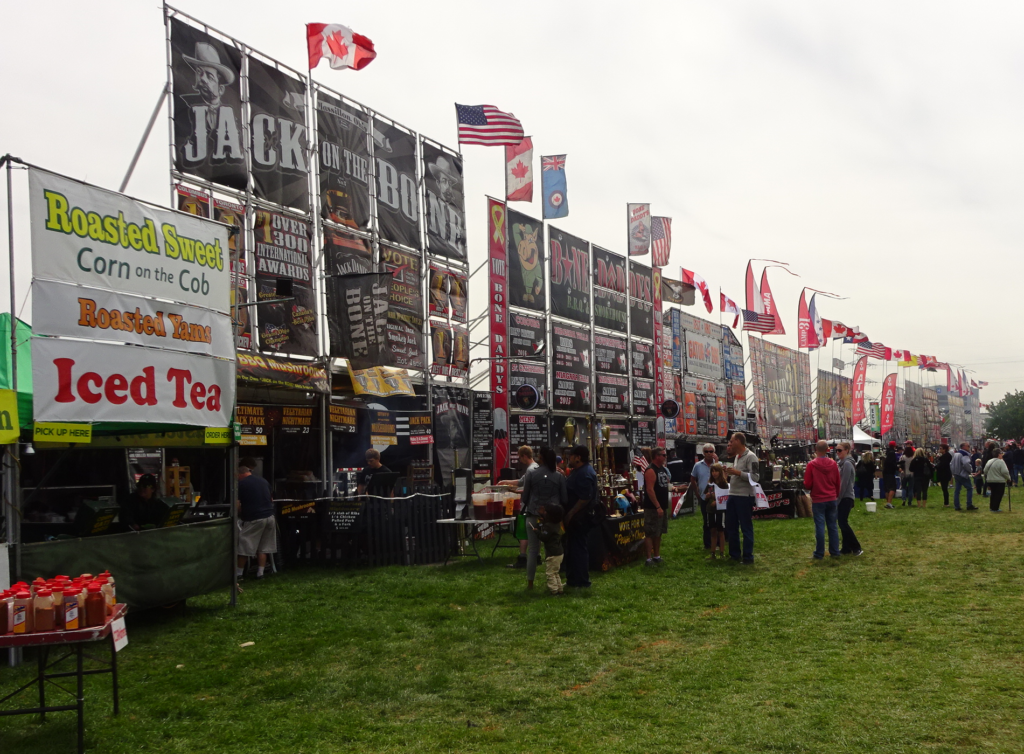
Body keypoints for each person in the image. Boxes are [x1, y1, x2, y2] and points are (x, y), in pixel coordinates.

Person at [519, 447, 567, 589]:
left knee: (533, 550)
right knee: (552, 551)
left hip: (533, 515)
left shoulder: (532, 474)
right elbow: (564, 498)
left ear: (542, 458)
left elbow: (525, 496)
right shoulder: (559, 476)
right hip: (552, 520)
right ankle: (553, 581)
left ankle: (530, 583)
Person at [563, 445, 598, 589]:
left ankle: (583, 581)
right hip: (575, 518)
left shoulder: (584, 473)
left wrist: (571, 513)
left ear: (578, 457)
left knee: (579, 548)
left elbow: (585, 497)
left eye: (571, 456)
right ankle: (572, 579)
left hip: (580, 518)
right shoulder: (578, 471)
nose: (568, 458)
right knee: (572, 548)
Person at [236, 458, 276, 581]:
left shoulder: (241, 484)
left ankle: (238, 575)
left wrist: (240, 515)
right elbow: (271, 500)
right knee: (263, 547)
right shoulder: (263, 481)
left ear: (240, 474)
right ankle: (260, 573)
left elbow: (237, 504)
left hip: (254, 518)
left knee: (244, 546)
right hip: (270, 517)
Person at [501, 446, 540, 570]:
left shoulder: (530, 470)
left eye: (520, 457)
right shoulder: (535, 467)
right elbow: (521, 482)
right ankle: (537, 557)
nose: (519, 459)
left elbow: (525, 487)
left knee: (524, 532)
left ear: (524, 456)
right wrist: (505, 482)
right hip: (535, 506)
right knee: (535, 532)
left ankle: (522, 558)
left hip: (528, 506)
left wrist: (514, 491)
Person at [804, 440, 842, 560]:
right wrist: (835, 494)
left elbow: (808, 484)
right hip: (831, 497)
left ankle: (819, 553)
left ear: (816, 450)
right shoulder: (833, 464)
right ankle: (835, 551)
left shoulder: (811, 465)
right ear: (827, 450)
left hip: (818, 499)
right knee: (833, 525)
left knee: (820, 526)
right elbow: (837, 482)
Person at [724, 433, 758, 564]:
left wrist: (737, 473)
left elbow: (755, 477)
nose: (730, 444)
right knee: (731, 526)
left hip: (744, 497)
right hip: (733, 494)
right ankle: (734, 555)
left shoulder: (751, 457)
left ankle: (748, 557)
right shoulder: (737, 457)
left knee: (745, 527)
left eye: (732, 441)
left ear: (738, 441)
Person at [643, 447, 672, 567]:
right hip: (652, 507)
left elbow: (665, 485)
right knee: (650, 532)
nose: (665, 457)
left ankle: (657, 555)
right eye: (663, 455)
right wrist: (657, 506)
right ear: (657, 456)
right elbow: (650, 490)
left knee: (658, 531)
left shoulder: (663, 470)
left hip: (662, 506)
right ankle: (648, 558)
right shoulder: (651, 470)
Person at [530, 503, 565, 595]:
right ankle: (559, 589)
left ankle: (554, 591)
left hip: (552, 554)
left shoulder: (549, 526)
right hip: (559, 552)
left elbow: (544, 537)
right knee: (555, 572)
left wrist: (537, 531)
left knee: (550, 573)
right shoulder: (557, 524)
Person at [836, 443, 863, 556]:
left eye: (840, 450)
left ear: (847, 450)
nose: (837, 452)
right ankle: (846, 548)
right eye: (836, 450)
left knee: (843, 522)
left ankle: (856, 547)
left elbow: (844, 483)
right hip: (845, 497)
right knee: (842, 522)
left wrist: (838, 499)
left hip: (846, 497)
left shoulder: (847, 464)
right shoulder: (841, 463)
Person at [689, 443, 717, 543]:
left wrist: (716, 462)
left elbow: (723, 479)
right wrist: (697, 493)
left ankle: (718, 541)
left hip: (717, 497)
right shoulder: (698, 465)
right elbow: (692, 479)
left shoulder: (718, 464)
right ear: (703, 453)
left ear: (714, 452)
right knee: (706, 520)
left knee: (718, 520)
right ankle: (708, 543)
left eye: (711, 451)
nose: (709, 454)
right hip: (704, 497)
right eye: (706, 451)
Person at [704, 463, 728, 559]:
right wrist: (707, 497)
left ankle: (722, 552)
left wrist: (717, 502)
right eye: (712, 471)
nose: (714, 473)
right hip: (710, 510)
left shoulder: (724, 484)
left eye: (716, 471)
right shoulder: (710, 484)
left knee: (721, 531)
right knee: (712, 530)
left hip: (720, 510)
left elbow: (726, 497)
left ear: (720, 472)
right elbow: (705, 497)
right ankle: (713, 552)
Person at [951, 442, 978, 511]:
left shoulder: (956, 453)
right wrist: (970, 470)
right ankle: (969, 504)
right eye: (968, 446)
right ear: (963, 447)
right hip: (962, 474)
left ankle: (957, 506)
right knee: (969, 488)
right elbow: (966, 463)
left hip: (956, 473)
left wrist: (953, 472)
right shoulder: (964, 454)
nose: (969, 447)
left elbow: (951, 463)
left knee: (957, 490)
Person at [883, 441, 900, 509]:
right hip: (890, 473)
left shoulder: (887, 452)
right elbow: (893, 464)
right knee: (892, 488)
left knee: (887, 489)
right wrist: (898, 468)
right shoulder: (892, 453)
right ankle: (889, 503)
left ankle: (888, 503)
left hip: (885, 472)